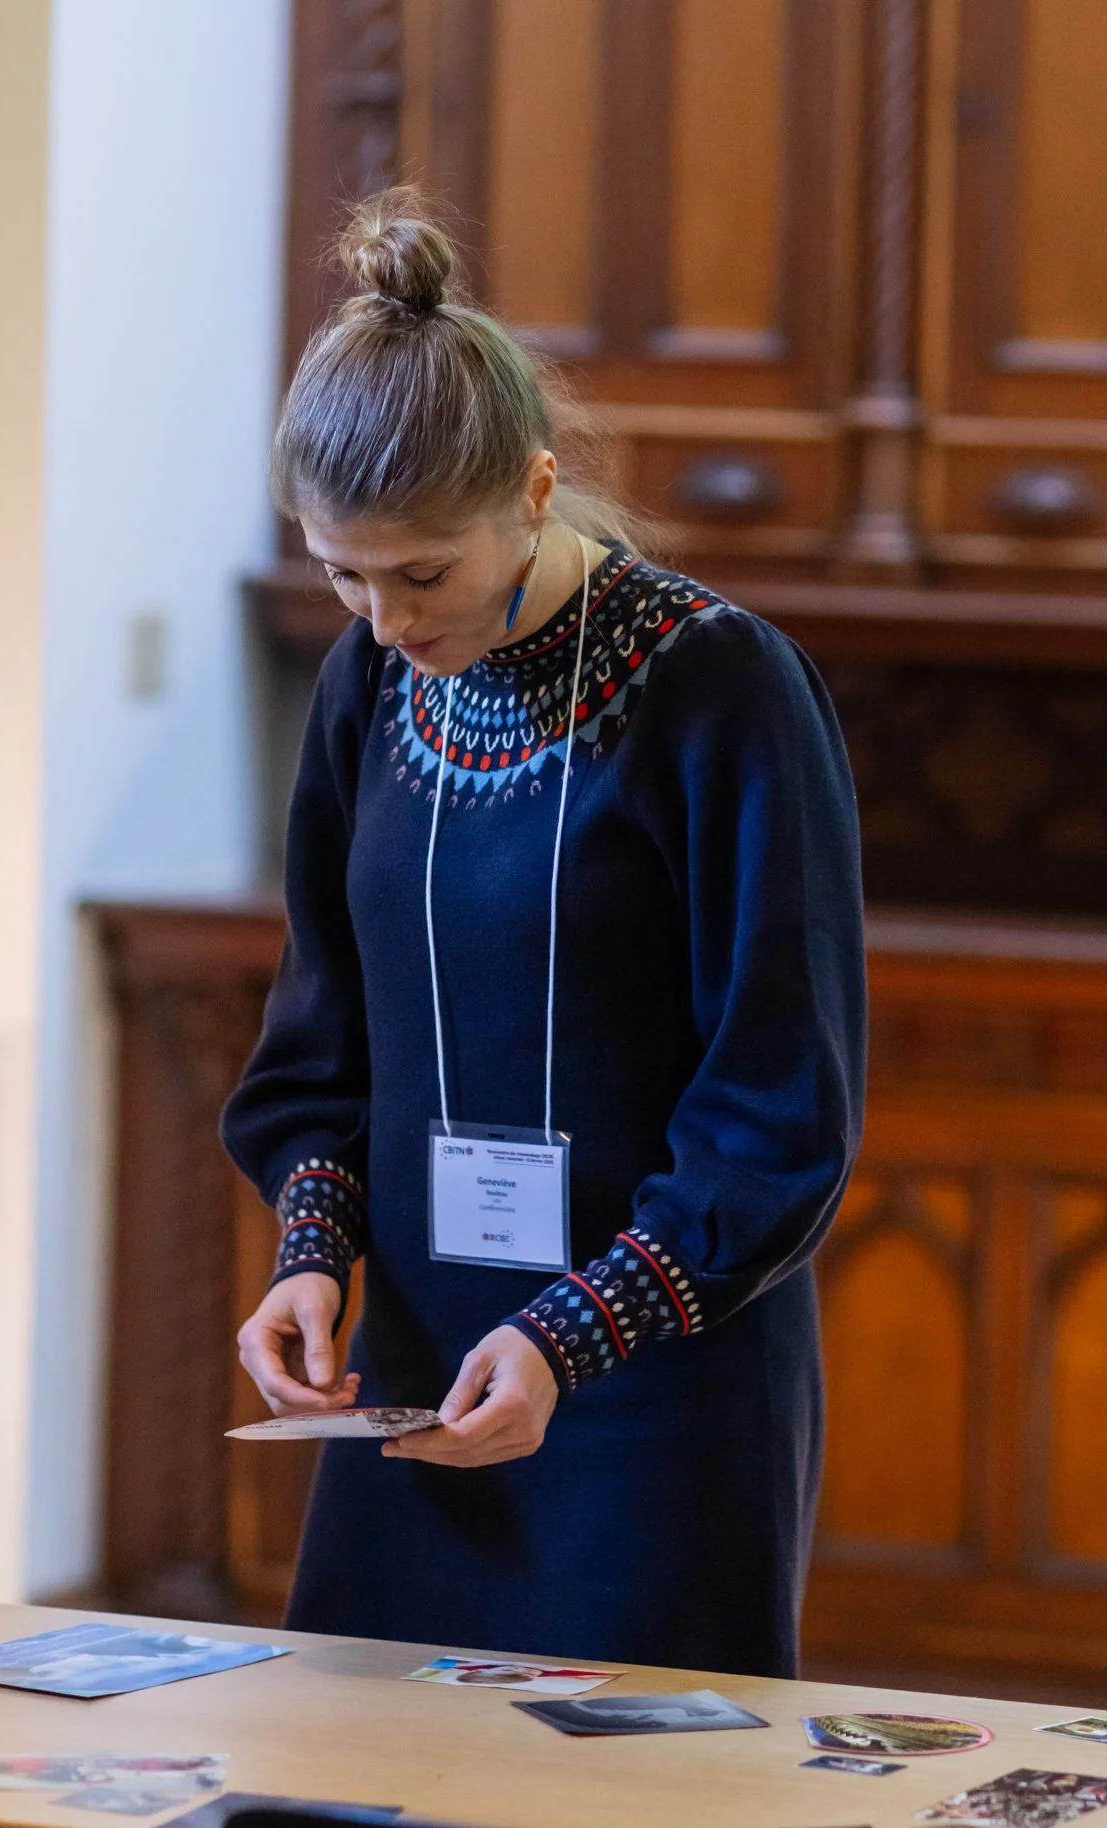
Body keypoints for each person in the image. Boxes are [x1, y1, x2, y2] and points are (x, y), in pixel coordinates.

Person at [221, 190, 865, 1676]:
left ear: (534, 487)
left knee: (636, 1802)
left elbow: (780, 1107)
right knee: (365, 1779)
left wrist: (567, 1337)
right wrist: (311, 1253)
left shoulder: (723, 689)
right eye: (340, 572)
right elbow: (321, 1033)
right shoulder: (369, 683)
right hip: (420, 1366)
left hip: (657, 1378)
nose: (383, 621)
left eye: (421, 573)